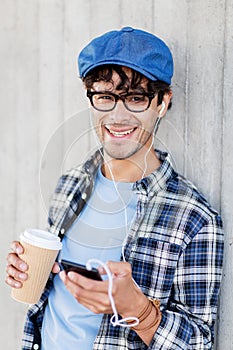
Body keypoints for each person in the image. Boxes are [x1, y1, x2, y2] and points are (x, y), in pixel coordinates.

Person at [6, 27, 224, 350]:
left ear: (163, 103)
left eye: (136, 98)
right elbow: (58, 301)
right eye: (105, 97)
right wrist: (29, 273)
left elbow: (200, 343)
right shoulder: (70, 185)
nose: (117, 117)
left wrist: (138, 310)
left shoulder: (195, 219)